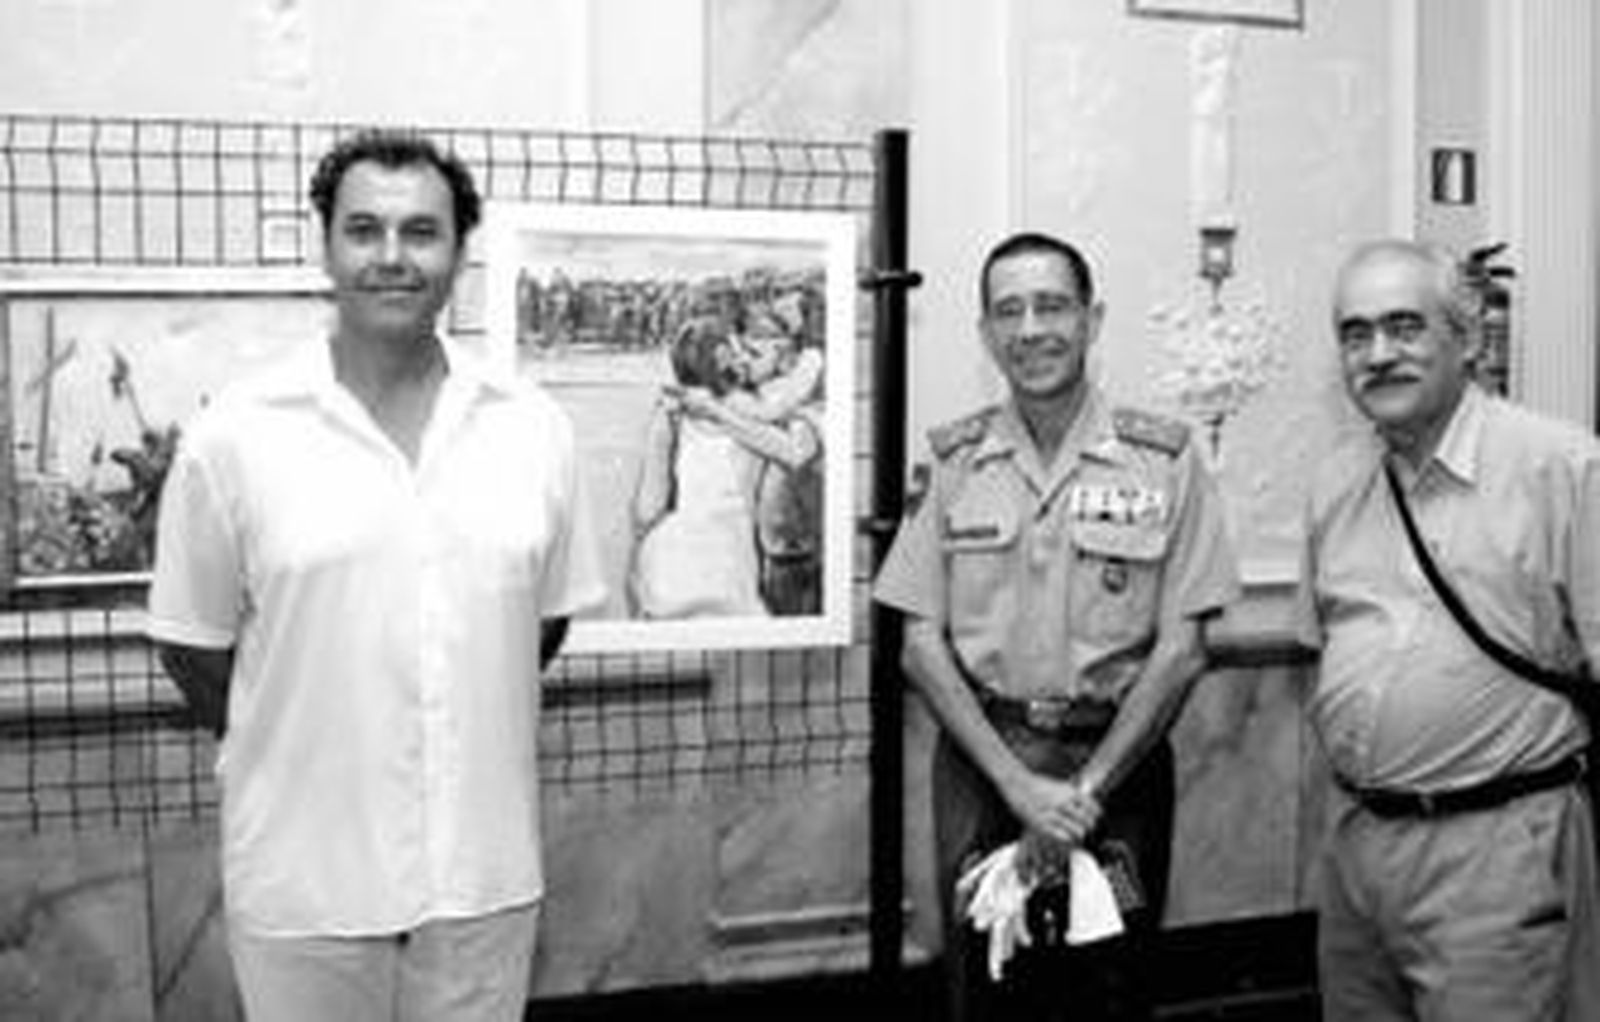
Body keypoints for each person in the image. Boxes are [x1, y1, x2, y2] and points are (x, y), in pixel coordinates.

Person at [146, 128, 606, 1022]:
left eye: (421, 232)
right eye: (364, 230)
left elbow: (539, 626)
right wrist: (298, 727)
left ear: (459, 253)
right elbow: (193, 647)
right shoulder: (236, 435)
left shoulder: (532, 428)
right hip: (304, 886)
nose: (392, 256)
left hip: (480, 882)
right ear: (324, 247)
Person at [873, 232, 1239, 1021]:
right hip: (983, 764)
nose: (1031, 328)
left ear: (1091, 319)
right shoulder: (953, 464)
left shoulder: (1165, 462)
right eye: (1009, 311)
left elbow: (1182, 653)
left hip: (1118, 768)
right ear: (985, 333)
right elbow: (919, 647)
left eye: (1052, 306)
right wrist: (1017, 786)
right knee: (984, 978)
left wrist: (1080, 794)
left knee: (1112, 978)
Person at [1296, 238, 1600, 1021]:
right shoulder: (1336, 481)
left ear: (1465, 340)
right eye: (1356, 334)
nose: (1378, 353)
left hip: (1496, 855)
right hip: (1357, 850)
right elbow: (1323, 656)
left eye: (1405, 326)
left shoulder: (1564, 469)